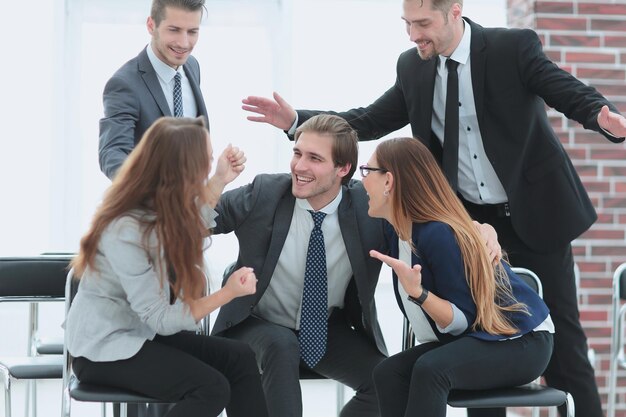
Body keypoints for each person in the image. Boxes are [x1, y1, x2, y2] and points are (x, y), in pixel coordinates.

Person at [240, 1, 626, 415]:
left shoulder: (510, 48)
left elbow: (561, 87)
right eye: (407, 23)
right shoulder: (413, 67)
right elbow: (368, 119)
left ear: (454, 11)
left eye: (422, 23)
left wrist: (601, 116)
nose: (412, 34)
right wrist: (298, 119)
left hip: (534, 215)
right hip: (465, 223)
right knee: (474, 341)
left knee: (565, 346)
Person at [210, 114, 500, 417]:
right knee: (281, 345)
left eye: (314, 158)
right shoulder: (265, 193)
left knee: (385, 379)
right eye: (297, 153)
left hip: (323, 328)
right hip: (256, 323)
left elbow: (427, 218)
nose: (299, 166)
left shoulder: (369, 207)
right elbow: (191, 224)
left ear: (343, 169)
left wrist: (482, 229)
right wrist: (217, 181)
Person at [65, 117, 268, 417]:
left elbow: (190, 224)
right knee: (211, 388)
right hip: (103, 350)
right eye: (207, 160)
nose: (211, 163)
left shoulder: (158, 204)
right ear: (183, 170)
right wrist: (227, 293)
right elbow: (161, 318)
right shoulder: (126, 228)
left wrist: (221, 177)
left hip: (141, 332)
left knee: (240, 358)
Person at [363, 137, 554, 417]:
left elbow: (463, 319)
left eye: (368, 171)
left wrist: (419, 294)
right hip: (477, 337)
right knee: (389, 372)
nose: (363, 181)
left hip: (522, 340)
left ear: (389, 181)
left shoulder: (437, 234)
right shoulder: (396, 230)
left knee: (432, 370)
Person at [99, 0, 209, 180]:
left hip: (192, 201)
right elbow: (112, 153)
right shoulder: (124, 84)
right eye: (174, 30)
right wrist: (150, 195)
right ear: (151, 25)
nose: (184, 43)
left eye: (192, 32)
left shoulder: (192, 66)